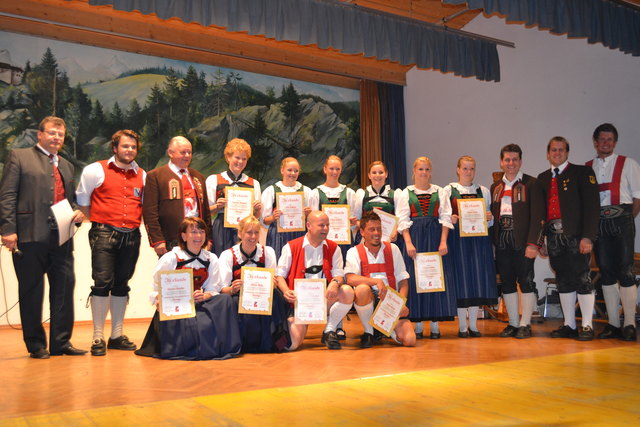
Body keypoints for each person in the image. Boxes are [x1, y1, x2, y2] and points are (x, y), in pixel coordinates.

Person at [0, 116, 86, 358]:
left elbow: (68, 201)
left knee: (64, 287)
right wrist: (7, 229)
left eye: (60, 134)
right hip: (28, 236)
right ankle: (36, 344)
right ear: (40, 134)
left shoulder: (67, 166)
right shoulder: (19, 156)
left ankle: (61, 343)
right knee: (32, 291)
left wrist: (76, 212)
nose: (56, 138)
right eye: (51, 133)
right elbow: (6, 195)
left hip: (61, 237)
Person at [76, 129, 146, 356]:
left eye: (133, 147)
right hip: (104, 233)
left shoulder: (142, 175)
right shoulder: (95, 170)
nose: (130, 150)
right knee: (102, 282)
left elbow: (144, 206)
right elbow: (83, 202)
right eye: (125, 146)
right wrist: (100, 222)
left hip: (132, 235)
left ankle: (116, 335)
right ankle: (98, 337)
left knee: (122, 283)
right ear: (115, 148)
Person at [135, 217, 241, 360]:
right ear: (184, 236)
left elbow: (213, 288)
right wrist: (159, 300)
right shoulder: (170, 258)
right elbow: (158, 286)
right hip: (178, 304)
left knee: (225, 300)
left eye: (202, 232)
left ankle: (221, 345)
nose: (198, 236)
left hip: (200, 302)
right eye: (193, 232)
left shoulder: (211, 258)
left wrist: (205, 296)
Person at [538, 137, 600, 341]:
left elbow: (592, 208)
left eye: (561, 150)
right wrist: (542, 240)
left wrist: (588, 237)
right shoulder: (543, 177)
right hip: (554, 237)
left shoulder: (582, 173)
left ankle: (588, 326)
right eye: (553, 150)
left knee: (582, 279)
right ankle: (569, 325)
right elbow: (541, 213)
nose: (557, 153)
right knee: (563, 280)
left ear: (567, 152)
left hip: (576, 236)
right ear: (548, 153)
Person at [587, 123, 639, 341]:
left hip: (622, 222)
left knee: (626, 271)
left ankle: (629, 323)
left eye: (609, 139)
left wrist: (626, 220)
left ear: (614, 142)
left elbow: (638, 197)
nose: (605, 143)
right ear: (596, 142)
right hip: (600, 224)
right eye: (602, 139)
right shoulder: (587, 167)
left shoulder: (628, 164)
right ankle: (612, 324)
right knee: (606, 273)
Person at [397, 157, 457, 339]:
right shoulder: (406, 193)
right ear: (414, 171)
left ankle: (436, 325)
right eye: (420, 169)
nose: (423, 173)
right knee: (415, 279)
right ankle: (418, 325)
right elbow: (402, 219)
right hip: (415, 238)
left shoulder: (440, 191)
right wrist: (408, 242)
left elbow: (445, 217)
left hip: (435, 238)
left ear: (431, 172)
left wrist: (443, 241)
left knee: (435, 277)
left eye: (427, 169)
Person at [275, 211, 353, 350]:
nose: (326, 229)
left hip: (324, 300)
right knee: (292, 345)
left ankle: (328, 331)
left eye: (327, 225)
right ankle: (300, 325)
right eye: (321, 225)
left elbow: (339, 275)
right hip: (299, 305)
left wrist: (335, 284)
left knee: (347, 291)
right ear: (308, 226)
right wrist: (286, 292)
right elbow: (279, 275)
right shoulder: (291, 247)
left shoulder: (334, 248)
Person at [490, 144, 545, 339]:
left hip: (522, 240)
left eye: (514, 159)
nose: (511, 163)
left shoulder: (532, 183)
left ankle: (525, 324)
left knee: (526, 281)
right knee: (507, 282)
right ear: (501, 162)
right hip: (502, 239)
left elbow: (539, 216)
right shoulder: (495, 187)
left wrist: (533, 244)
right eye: (507, 159)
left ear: (520, 161)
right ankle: (513, 323)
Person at [218, 216, 291, 352]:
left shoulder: (268, 252)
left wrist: (272, 284)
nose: (253, 236)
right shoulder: (227, 255)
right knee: (231, 301)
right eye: (249, 232)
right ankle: (241, 343)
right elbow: (223, 289)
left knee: (275, 295)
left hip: (262, 297)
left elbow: (273, 280)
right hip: (238, 297)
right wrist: (233, 288)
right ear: (240, 233)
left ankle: (274, 341)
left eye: (256, 232)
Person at [443, 156, 498, 337]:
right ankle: (462, 327)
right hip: (458, 241)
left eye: (472, 169)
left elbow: (488, 220)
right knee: (462, 281)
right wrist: (450, 219)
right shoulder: (448, 190)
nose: (468, 172)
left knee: (476, 281)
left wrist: (489, 218)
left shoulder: (483, 191)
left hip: (479, 242)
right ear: (458, 170)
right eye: (465, 168)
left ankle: (473, 325)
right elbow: (442, 218)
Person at [344, 211, 416, 348]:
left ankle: (384, 329)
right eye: (372, 229)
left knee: (410, 340)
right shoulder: (353, 252)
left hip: (390, 302)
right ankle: (369, 332)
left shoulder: (393, 249)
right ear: (362, 232)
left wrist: (400, 304)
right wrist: (376, 282)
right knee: (362, 289)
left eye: (379, 229)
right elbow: (350, 278)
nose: (376, 233)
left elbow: (403, 281)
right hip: (369, 300)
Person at [142, 136, 210, 256]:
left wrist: (208, 239)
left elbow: (206, 212)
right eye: (183, 152)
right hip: (170, 240)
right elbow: (150, 212)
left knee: (198, 273)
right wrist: (157, 240)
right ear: (170, 153)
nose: (187, 155)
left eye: (189, 152)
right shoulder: (155, 176)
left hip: (197, 238)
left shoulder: (198, 177)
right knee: (174, 274)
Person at [206, 138, 262, 257]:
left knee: (244, 263)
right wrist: (217, 206)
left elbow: (256, 216)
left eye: (244, 159)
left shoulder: (254, 183)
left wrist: (257, 210)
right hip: (221, 229)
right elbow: (206, 212)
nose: (240, 161)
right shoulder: (214, 180)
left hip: (245, 230)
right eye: (237, 157)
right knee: (221, 261)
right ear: (228, 158)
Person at [261, 157, 312, 259]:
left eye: (296, 171)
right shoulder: (271, 190)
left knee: (298, 264)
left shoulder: (306, 191)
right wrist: (273, 217)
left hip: (300, 234)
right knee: (278, 264)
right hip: (278, 235)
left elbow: (312, 219)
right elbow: (265, 221)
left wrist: (308, 215)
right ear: (282, 170)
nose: (292, 173)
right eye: (289, 170)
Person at [353, 161, 402, 246]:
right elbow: (356, 219)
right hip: (366, 241)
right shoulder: (361, 195)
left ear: (386, 174)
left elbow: (401, 218)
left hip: (390, 240)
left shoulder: (396, 195)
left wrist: (396, 231)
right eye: (374, 172)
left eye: (381, 172)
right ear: (369, 175)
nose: (377, 175)